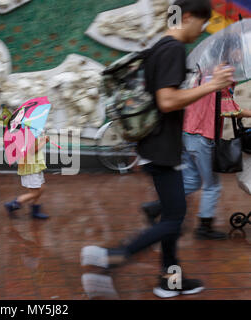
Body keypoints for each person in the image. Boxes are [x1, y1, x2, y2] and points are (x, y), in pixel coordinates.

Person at [81, 0, 235, 298]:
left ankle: (170, 280)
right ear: (187, 17)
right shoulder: (173, 49)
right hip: (162, 147)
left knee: (173, 217)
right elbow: (166, 101)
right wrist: (211, 86)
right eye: (202, 23)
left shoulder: (160, 46)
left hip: (155, 144)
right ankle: (112, 257)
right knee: (175, 219)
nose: (202, 30)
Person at [142, 83, 251, 239]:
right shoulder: (217, 83)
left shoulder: (200, 79)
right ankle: (204, 228)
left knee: (192, 180)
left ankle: (156, 207)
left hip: (187, 135)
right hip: (202, 137)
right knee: (212, 185)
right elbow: (230, 110)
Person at [4, 134, 50, 219]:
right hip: (30, 168)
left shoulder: (32, 131)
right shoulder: (25, 133)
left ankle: (34, 209)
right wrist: (43, 142)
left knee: (41, 189)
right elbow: (32, 151)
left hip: (36, 166)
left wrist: (42, 139)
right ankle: (14, 204)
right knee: (35, 193)